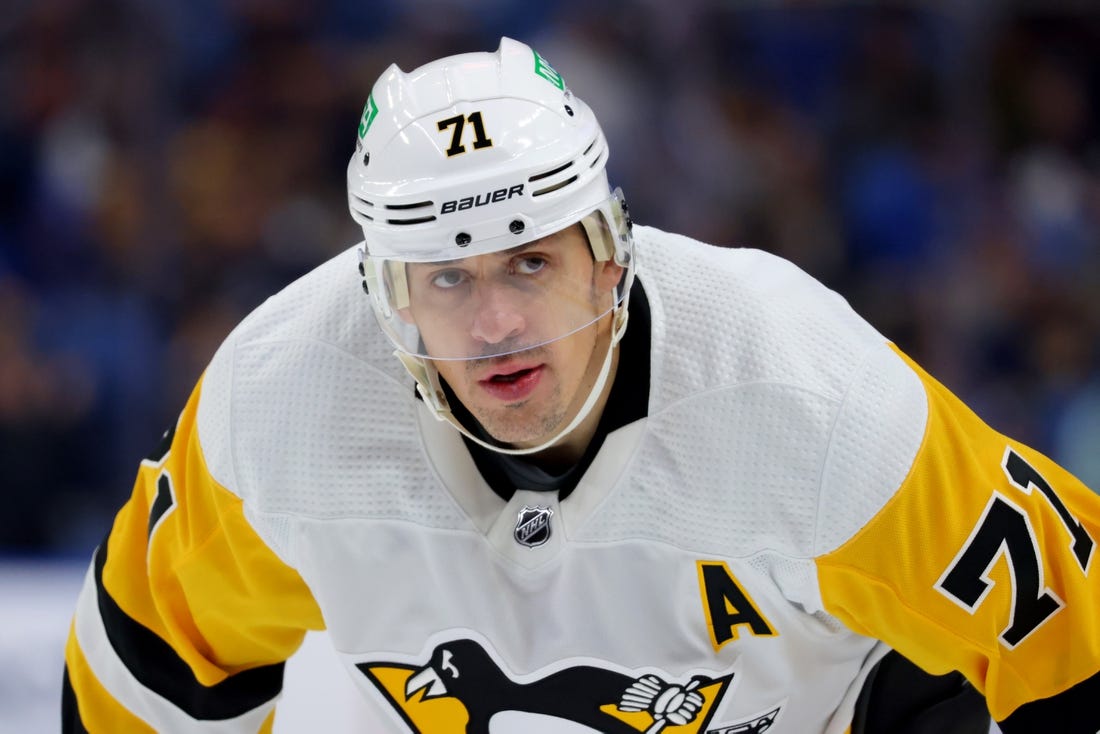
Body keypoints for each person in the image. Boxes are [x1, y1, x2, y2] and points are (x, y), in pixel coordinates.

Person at [63, 37, 1097, 734]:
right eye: (448, 278)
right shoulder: (282, 403)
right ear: (388, 299)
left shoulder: (804, 392)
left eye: (528, 261)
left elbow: (1076, 635)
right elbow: (142, 680)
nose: (496, 324)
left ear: (611, 255)